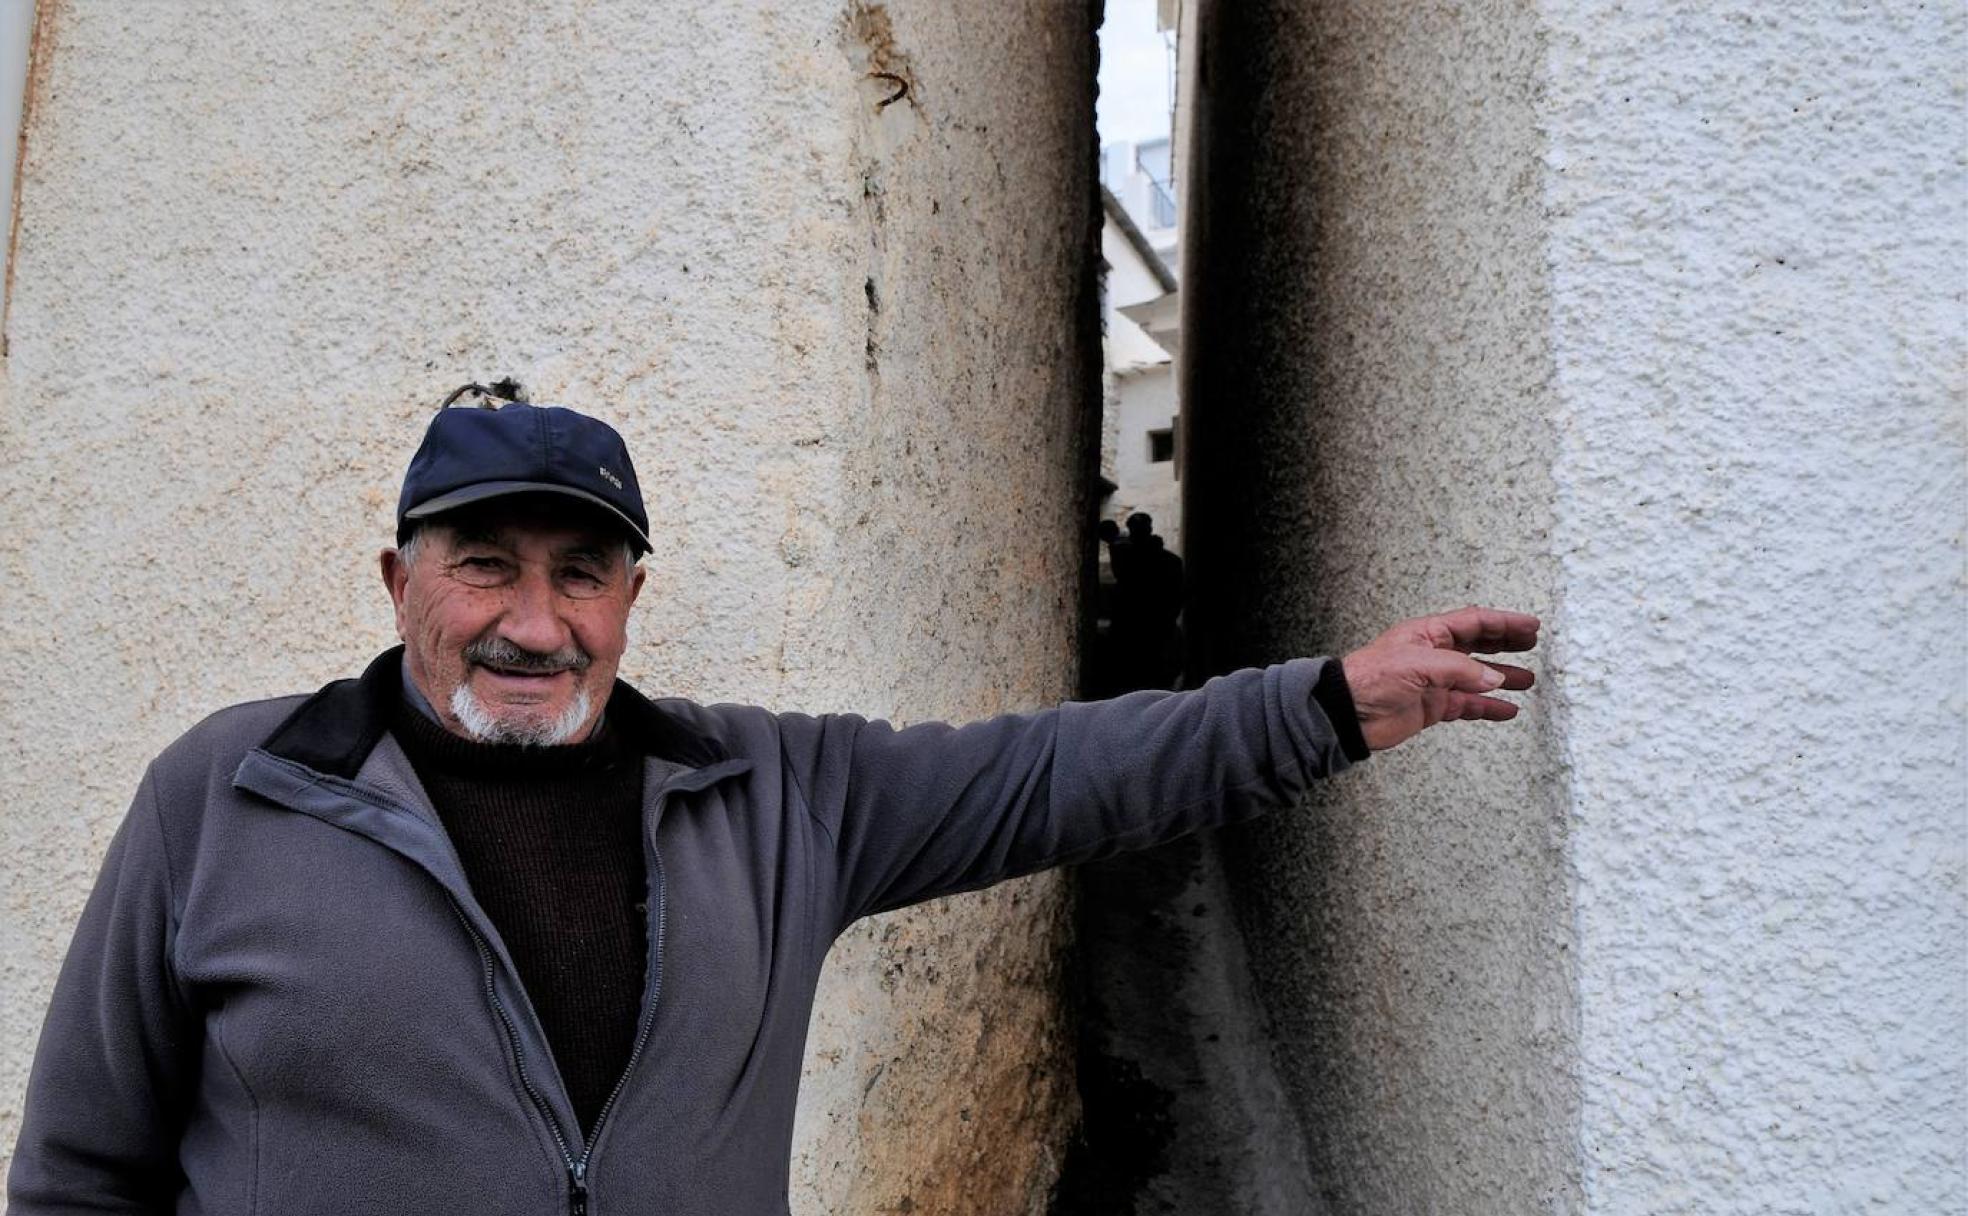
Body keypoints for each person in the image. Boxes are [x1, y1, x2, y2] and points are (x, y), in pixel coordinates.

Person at [6, 389, 1539, 1214]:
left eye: (580, 571)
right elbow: (80, 1173)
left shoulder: (772, 794)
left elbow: (1053, 775)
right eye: (484, 563)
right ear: (398, 578)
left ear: (629, 596)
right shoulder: (232, 791)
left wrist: (1330, 706)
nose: (533, 622)